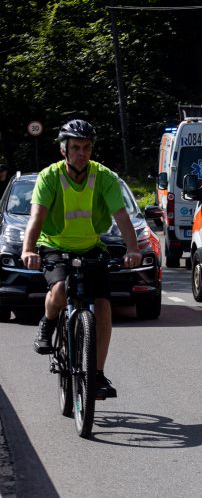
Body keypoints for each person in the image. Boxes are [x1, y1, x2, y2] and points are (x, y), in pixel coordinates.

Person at [21, 120, 141, 399]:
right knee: (60, 290)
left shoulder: (104, 177)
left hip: (90, 247)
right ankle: (49, 321)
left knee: (102, 305)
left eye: (87, 148)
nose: (82, 153)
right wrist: (28, 250)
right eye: (75, 147)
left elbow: (122, 217)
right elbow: (36, 217)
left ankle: (97, 374)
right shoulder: (49, 177)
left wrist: (132, 249)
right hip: (54, 246)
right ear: (64, 149)